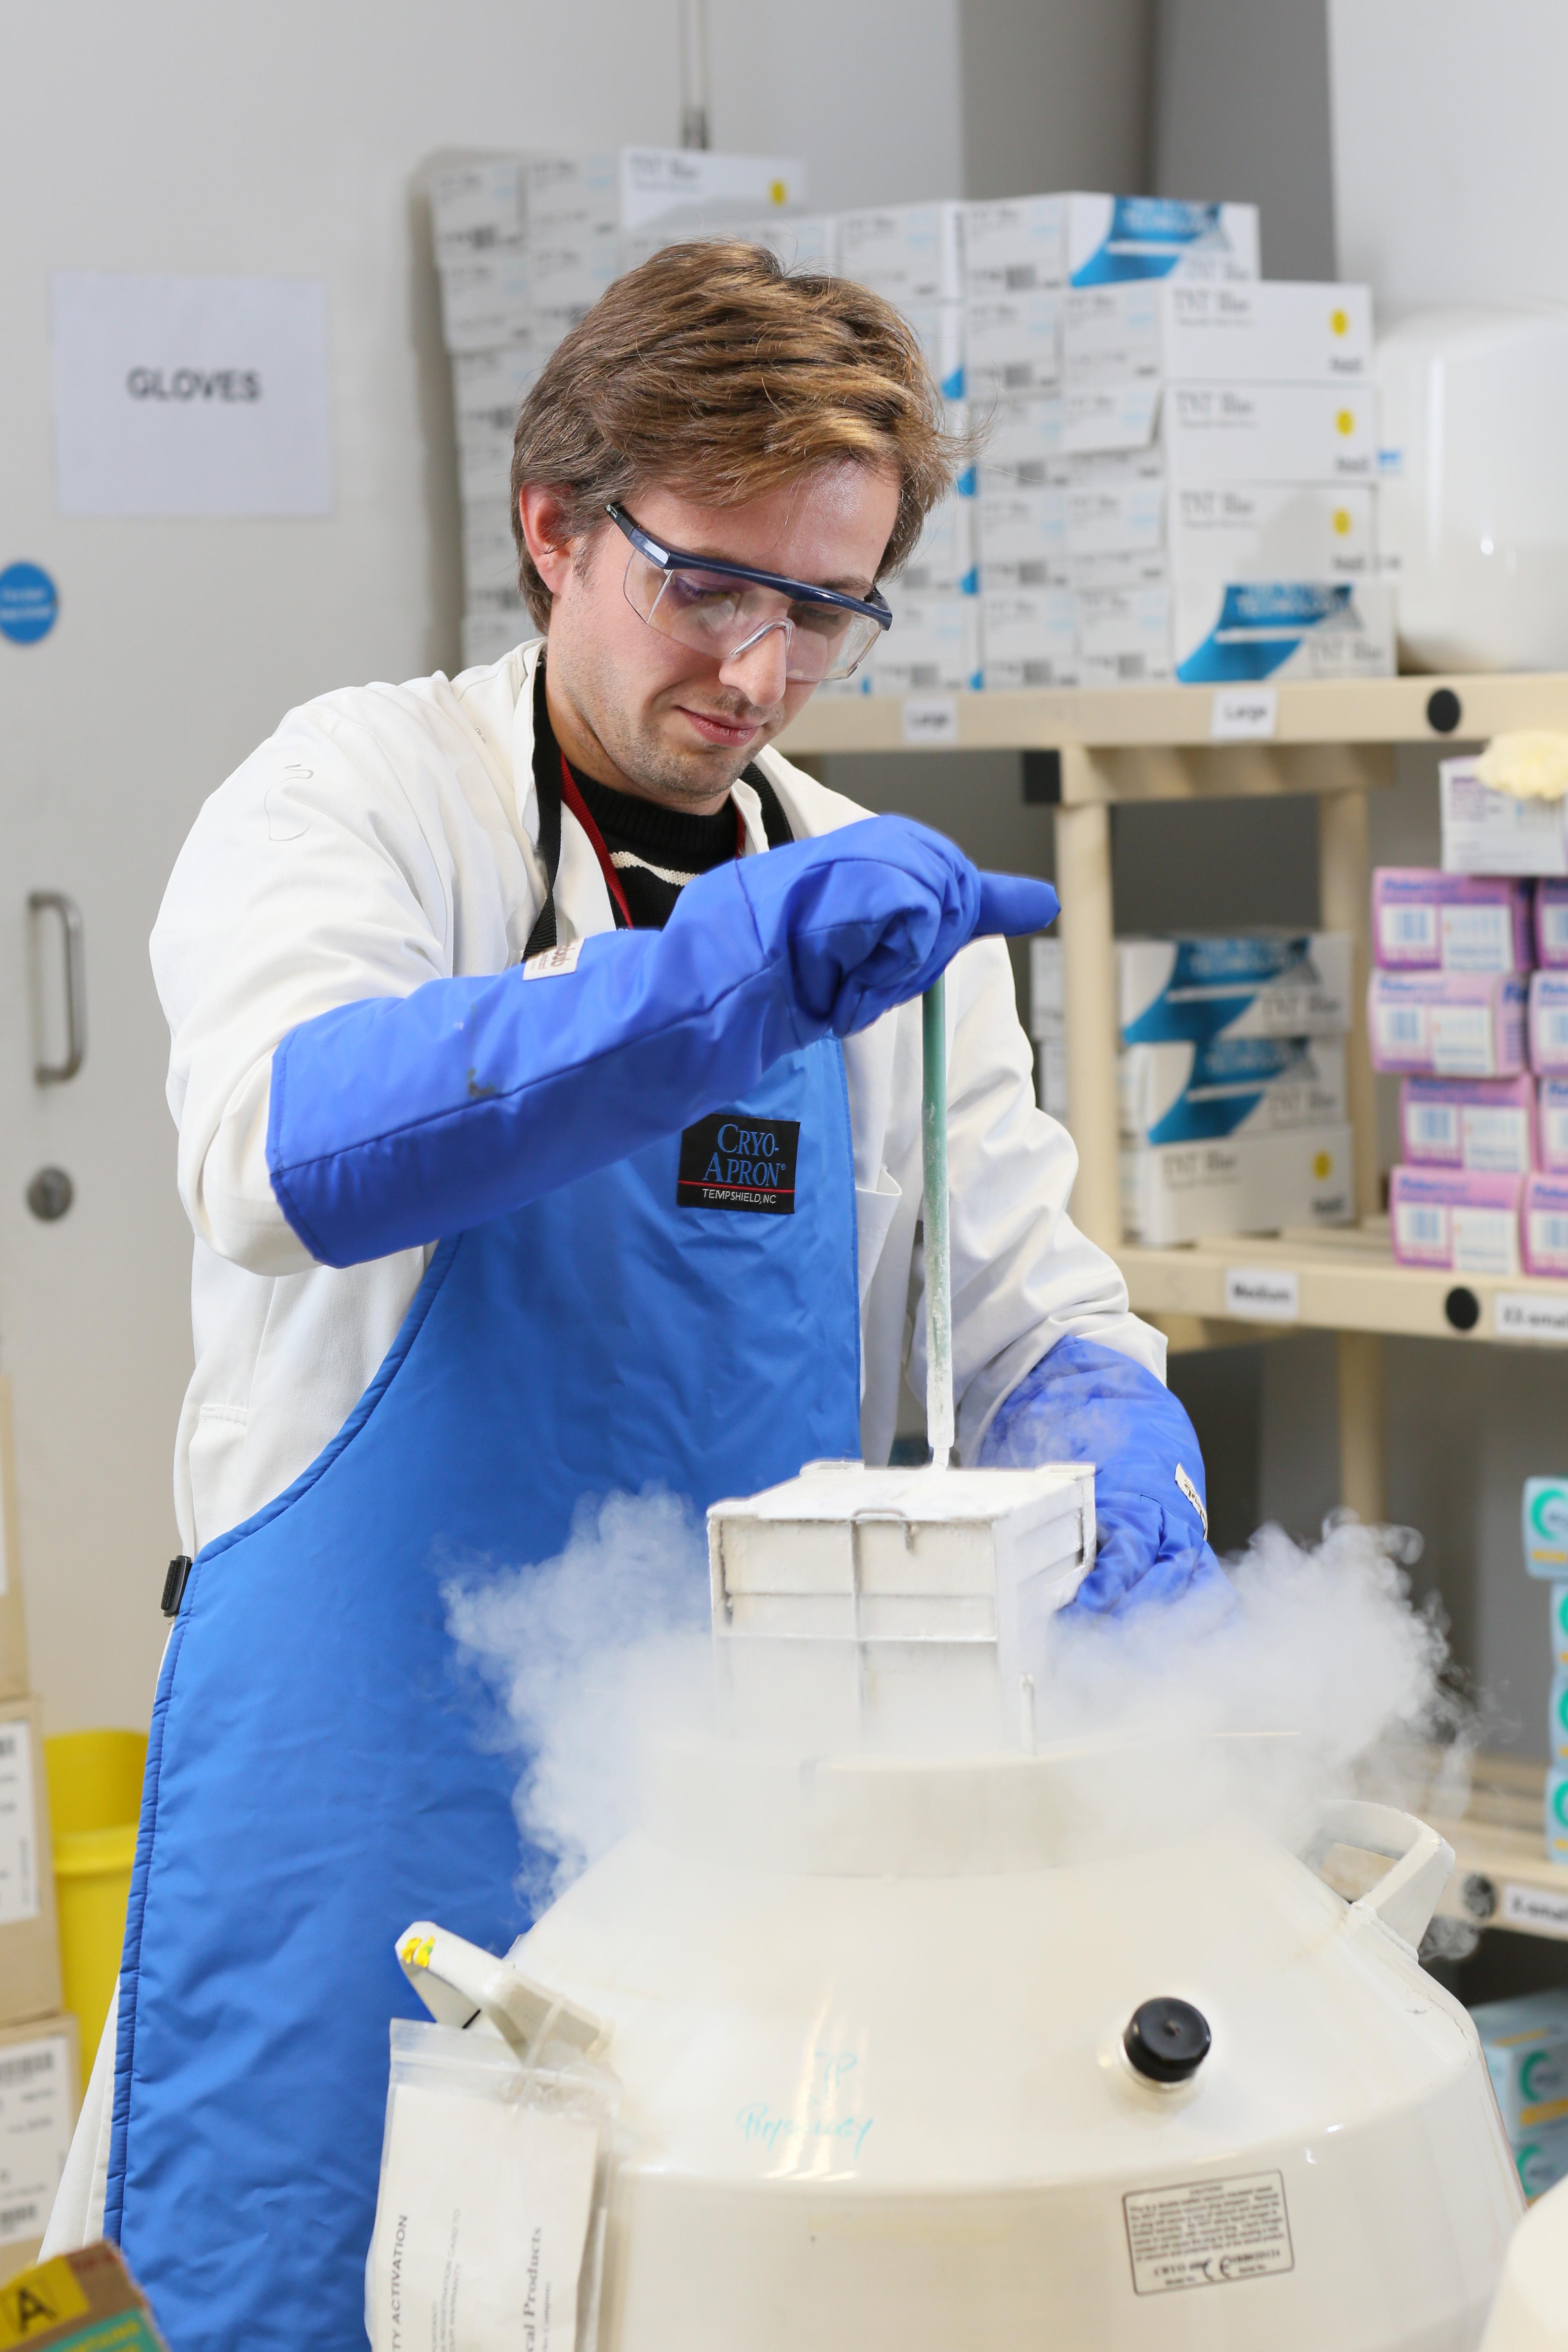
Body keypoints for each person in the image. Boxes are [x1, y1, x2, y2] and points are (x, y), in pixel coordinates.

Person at [47, 241, 1227, 2347]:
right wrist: (711, 984)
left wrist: (1108, 1447)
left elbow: (1024, 1305)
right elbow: (280, 1150)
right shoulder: (356, 798)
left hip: (737, 1854)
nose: (763, 674)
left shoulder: (875, 900)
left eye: (826, 608)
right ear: (554, 530)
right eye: (708, 586)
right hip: (369, 1831)